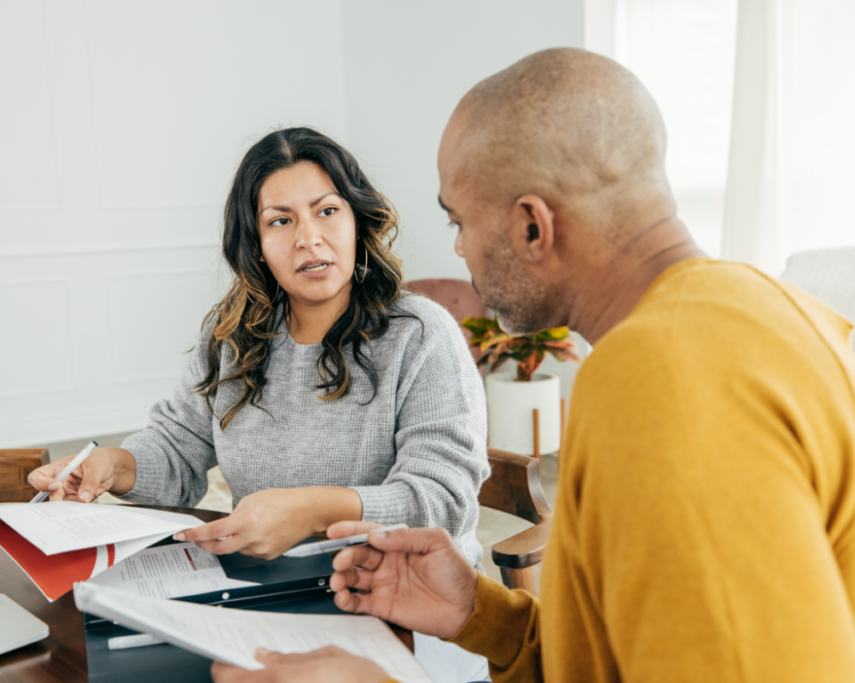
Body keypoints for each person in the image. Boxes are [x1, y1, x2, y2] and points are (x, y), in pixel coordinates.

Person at [210, 49, 855, 683]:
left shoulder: (668, 386)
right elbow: (612, 651)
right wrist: (481, 614)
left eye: (460, 221)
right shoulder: (772, 311)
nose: (457, 247)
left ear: (532, 228)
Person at [28, 127, 492, 679]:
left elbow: (443, 499)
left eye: (326, 211)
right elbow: (176, 447)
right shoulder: (231, 336)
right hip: (270, 597)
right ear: (256, 244)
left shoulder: (420, 334)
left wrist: (311, 512)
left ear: (358, 222)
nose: (308, 239)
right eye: (281, 220)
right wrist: (111, 465)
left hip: (412, 606)